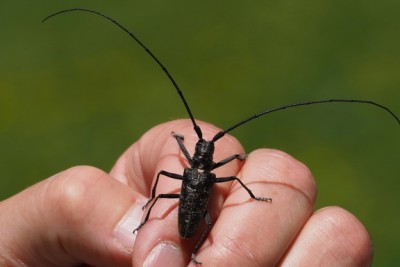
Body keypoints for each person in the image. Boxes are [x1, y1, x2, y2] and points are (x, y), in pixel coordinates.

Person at [0, 120, 372, 266]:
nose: (203, 152)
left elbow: (229, 181)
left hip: (186, 211)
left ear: (200, 157)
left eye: (202, 150)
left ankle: (193, 249)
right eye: (199, 148)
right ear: (201, 156)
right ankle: (180, 241)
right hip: (186, 214)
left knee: (198, 214)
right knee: (189, 209)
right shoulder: (206, 174)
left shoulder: (198, 173)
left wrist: (251, 193)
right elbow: (230, 179)